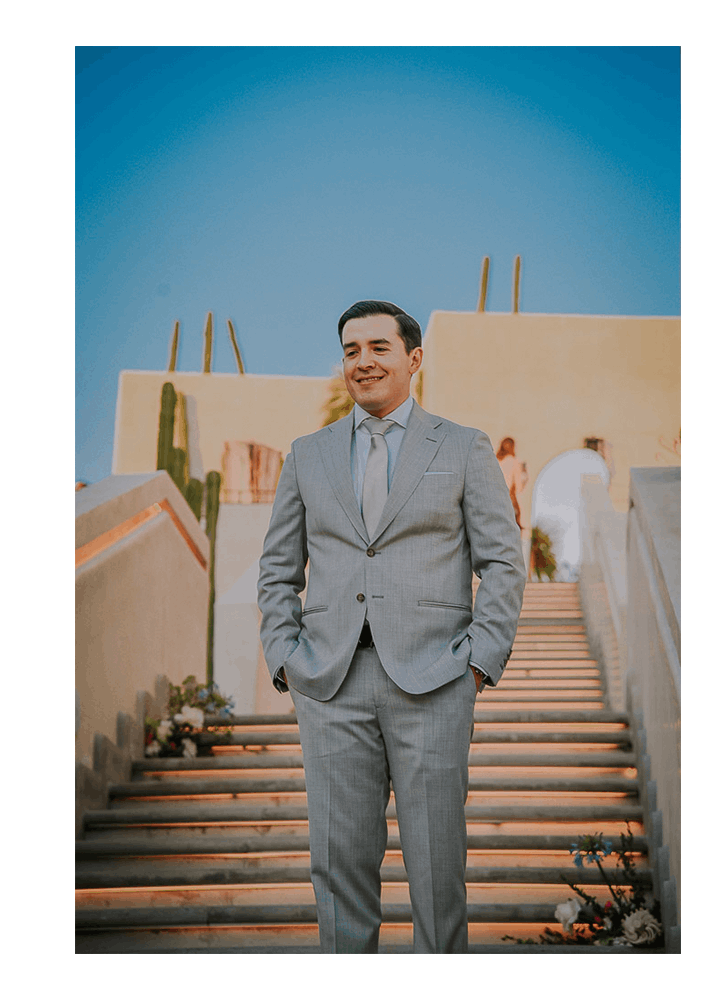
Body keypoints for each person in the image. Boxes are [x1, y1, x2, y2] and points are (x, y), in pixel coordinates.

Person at [258, 300, 526, 953]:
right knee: (339, 869)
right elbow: (277, 569)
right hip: (330, 681)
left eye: (379, 347)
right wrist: (286, 655)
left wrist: (478, 660)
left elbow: (502, 559)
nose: (364, 362)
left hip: (436, 679)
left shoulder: (463, 446)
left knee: (437, 872)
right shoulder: (308, 455)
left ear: (414, 358)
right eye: (351, 350)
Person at [496, 436, 528, 527]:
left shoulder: (494, 460)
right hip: (507, 499)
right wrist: (524, 473)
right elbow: (518, 487)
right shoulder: (515, 461)